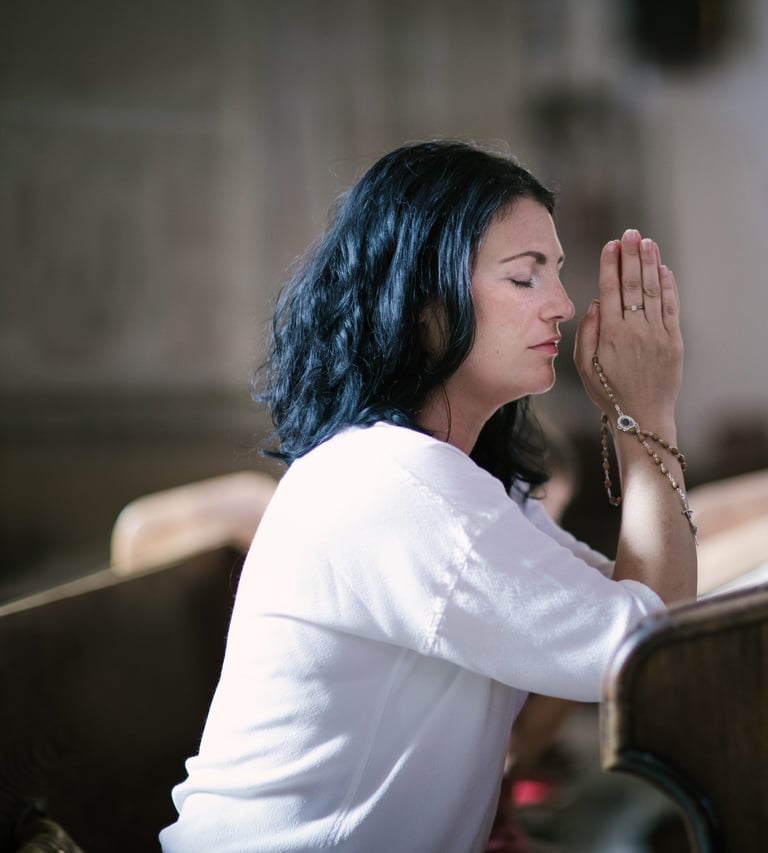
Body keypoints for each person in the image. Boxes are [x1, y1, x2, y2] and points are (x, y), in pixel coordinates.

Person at [160, 139, 697, 852]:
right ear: (424, 301)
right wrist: (646, 412)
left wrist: (640, 416)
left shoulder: (442, 478)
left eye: (556, 272)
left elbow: (636, 612)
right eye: (525, 276)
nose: (563, 306)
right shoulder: (397, 484)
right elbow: (649, 651)